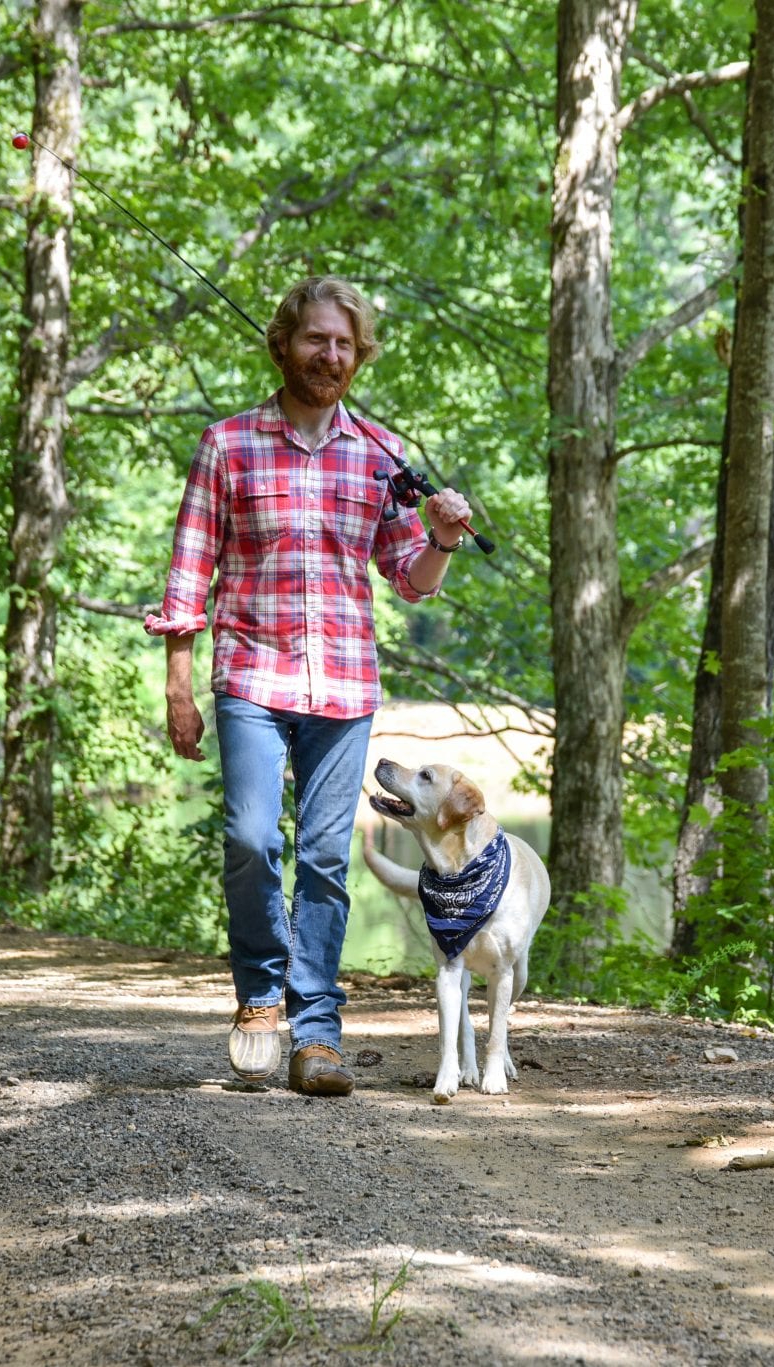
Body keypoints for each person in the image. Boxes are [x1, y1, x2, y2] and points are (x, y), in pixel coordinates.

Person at [144, 276, 473, 1096]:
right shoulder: (227, 444)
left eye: (344, 345)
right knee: (253, 837)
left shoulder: (380, 454)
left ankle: (316, 1032)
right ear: (284, 344)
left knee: (325, 858)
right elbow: (188, 578)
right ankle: (261, 998)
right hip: (251, 675)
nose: (330, 356)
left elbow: (410, 577)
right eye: (315, 340)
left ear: (358, 356)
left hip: (344, 684)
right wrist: (180, 688)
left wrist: (441, 539)